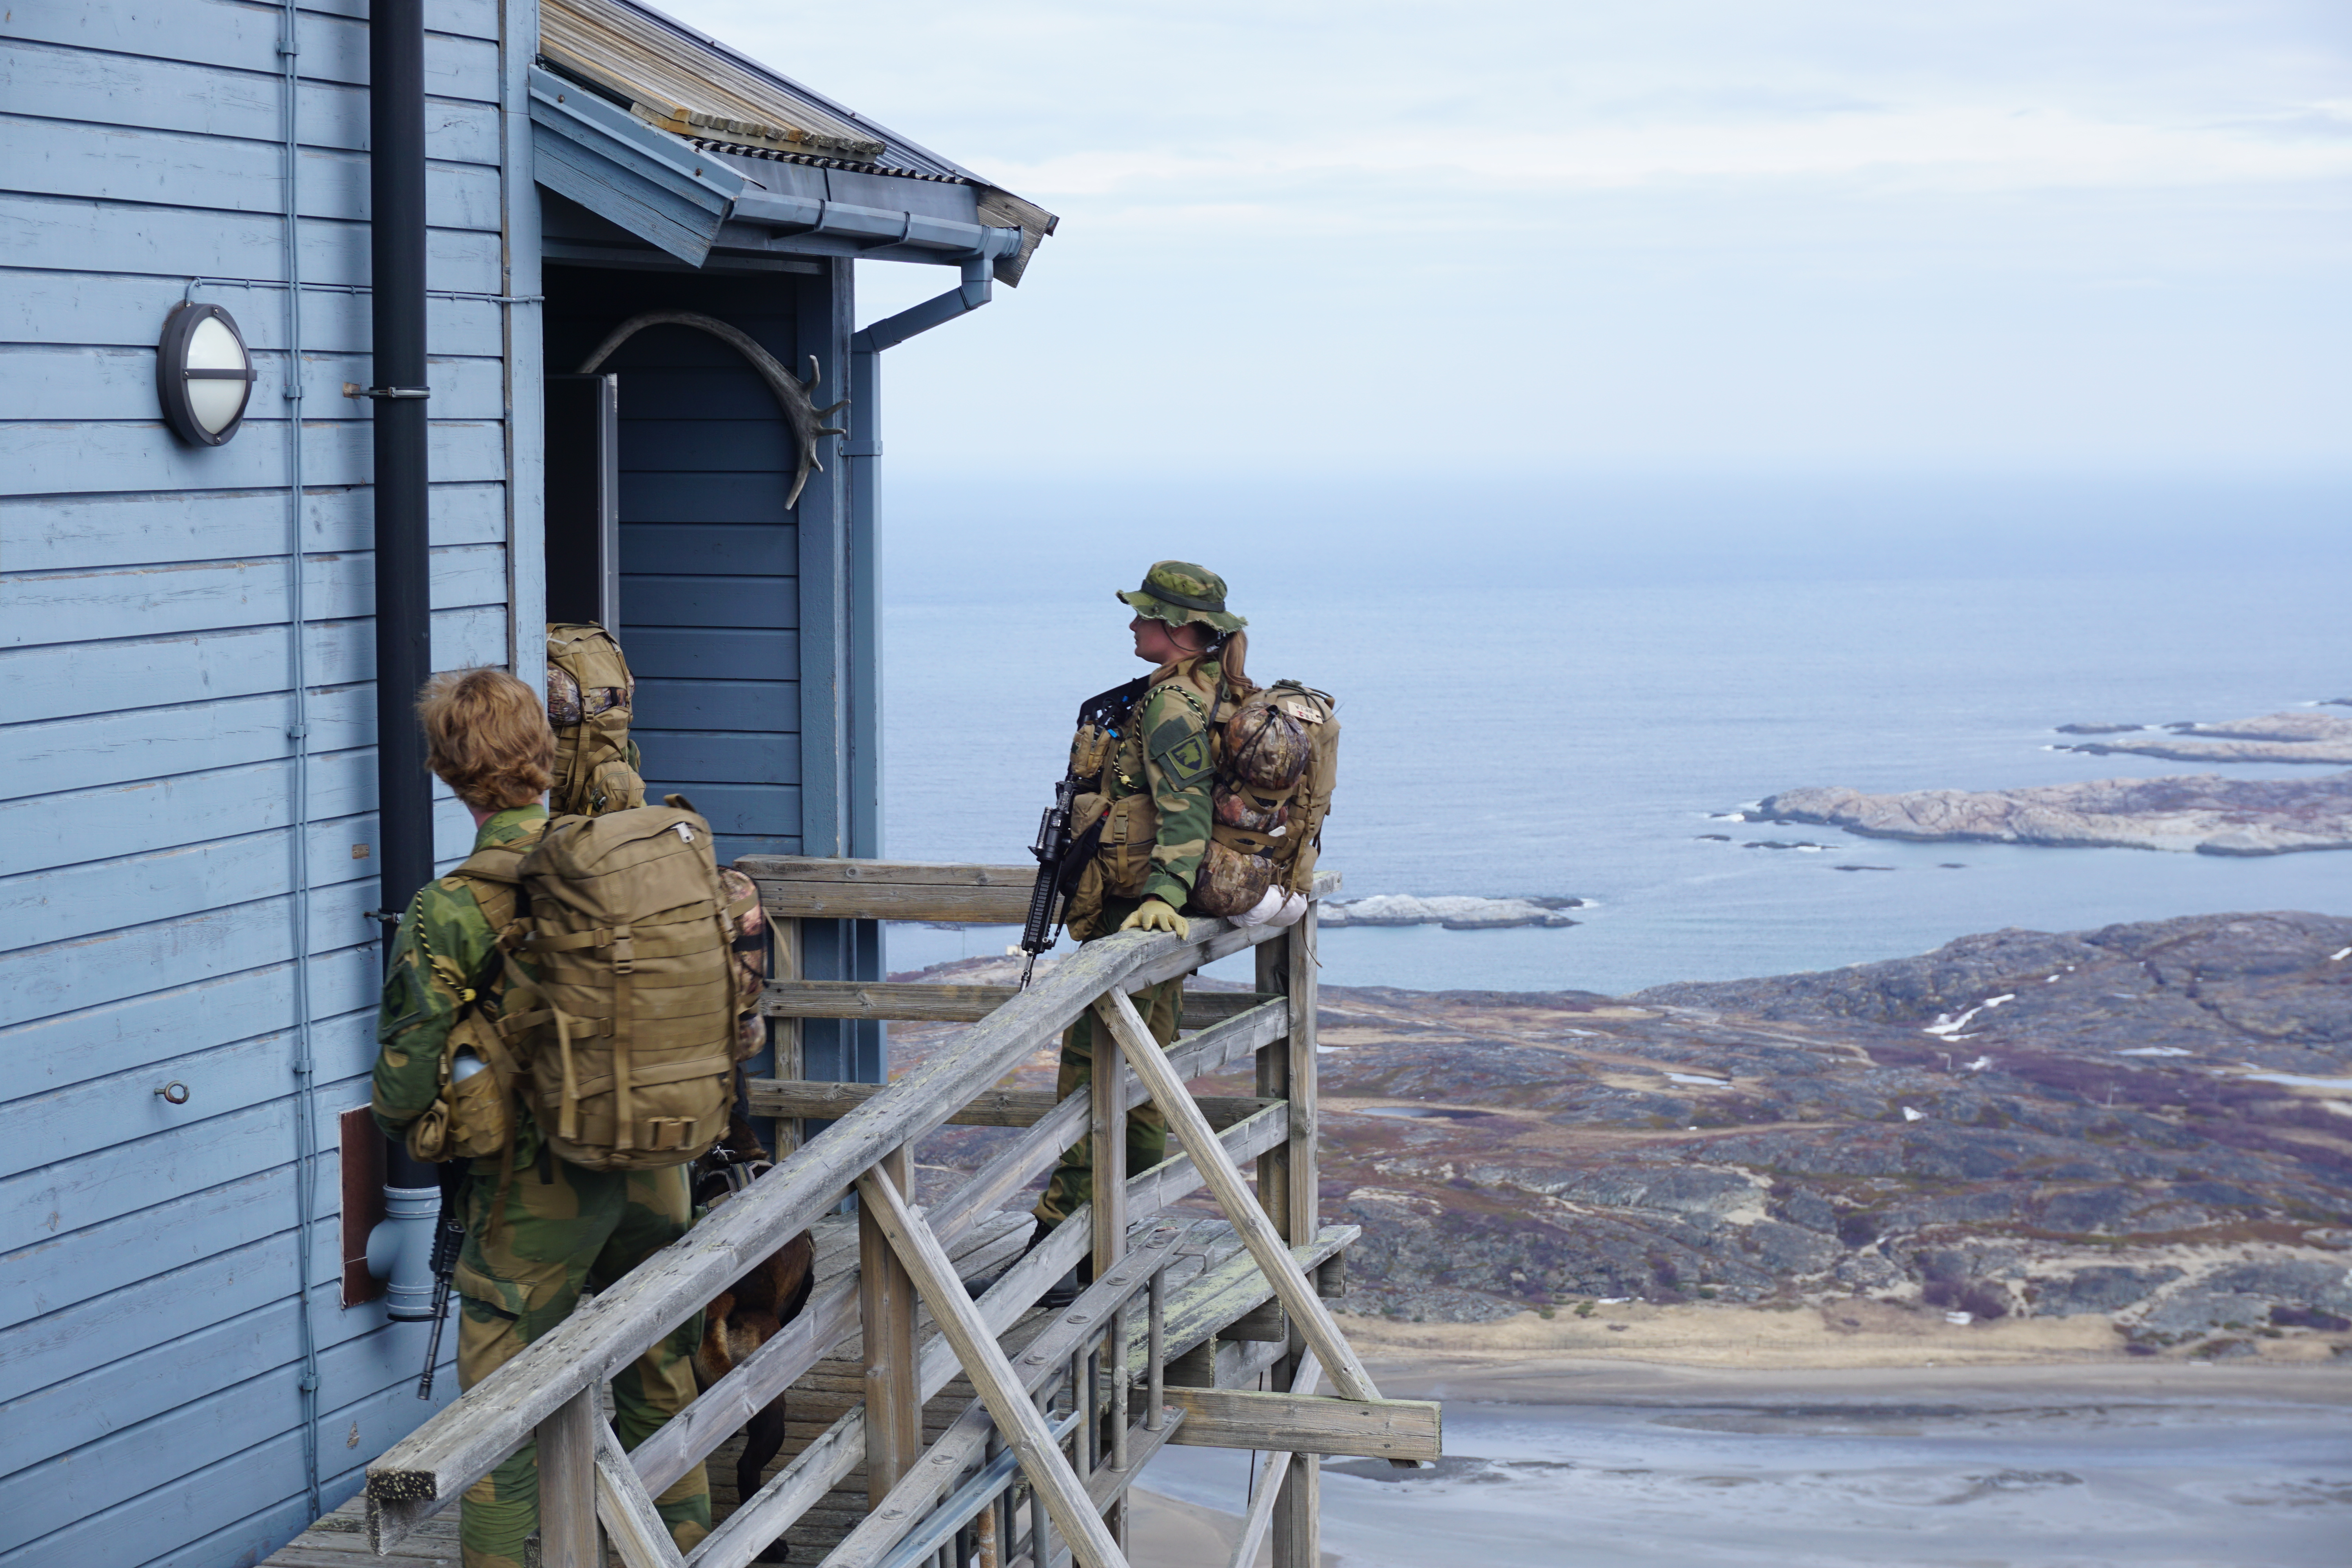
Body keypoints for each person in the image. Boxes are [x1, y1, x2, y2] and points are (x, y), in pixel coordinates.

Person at [371, 668, 711, 1568]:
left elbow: (401, 1091)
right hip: (656, 1160)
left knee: (502, 1418)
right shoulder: (622, 860)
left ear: (448, 770)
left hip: (534, 1198)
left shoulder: (448, 908)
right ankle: (678, 1547)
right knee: (660, 1375)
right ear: (547, 751)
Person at [1030, 562, 1255, 1260]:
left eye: (1146, 615)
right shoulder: (1213, 690)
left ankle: (1065, 1241)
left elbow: (1183, 805)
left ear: (1182, 630)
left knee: (1091, 1074)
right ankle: (1120, 1228)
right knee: (1146, 1076)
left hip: (1133, 916)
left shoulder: (1167, 708)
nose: (1133, 624)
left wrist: (1160, 895)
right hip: (1153, 918)